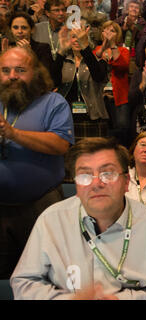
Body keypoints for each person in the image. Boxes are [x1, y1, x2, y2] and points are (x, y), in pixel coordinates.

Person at [10, 137, 146, 299]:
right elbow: (24, 282)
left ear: (126, 182)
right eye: (85, 175)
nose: (96, 183)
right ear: (76, 186)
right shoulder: (51, 220)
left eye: (107, 173)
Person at [0, 46, 74, 279]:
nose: (12, 76)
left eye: (20, 70)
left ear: (36, 73)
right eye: (5, 70)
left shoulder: (53, 102)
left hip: (41, 206)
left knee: (45, 275)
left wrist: (13, 134)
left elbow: (61, 144)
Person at [53, 24, 109, 141]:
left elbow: (99, 77)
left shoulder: (98, 61)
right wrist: (61, 51)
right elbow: (53, 82)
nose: (77, 40)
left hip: (93, 118)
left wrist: (85, 48)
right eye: (74, 36)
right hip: (67, 118)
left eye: (81, 37)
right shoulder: (62, 61)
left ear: (87, 39)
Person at [93, 20, 130, 147]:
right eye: (106, 30)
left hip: (119, 98)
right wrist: (104, 46)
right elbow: (93, 63)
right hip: (100, 98)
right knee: (103, 132)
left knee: (121, 130)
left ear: (118, 35)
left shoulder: (123, 50)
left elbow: (122, 66)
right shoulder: (97, 50)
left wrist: (112, 44)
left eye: (112, 31)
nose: (108, 33)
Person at [2, 12, 53, 77]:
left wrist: (29, 54)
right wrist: (4, 57)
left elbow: (45, 75)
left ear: (32, 30)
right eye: (15, 27)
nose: (20, 31)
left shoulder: (43, 48)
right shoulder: (8, 47)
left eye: (24, 28)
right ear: (11, 30)